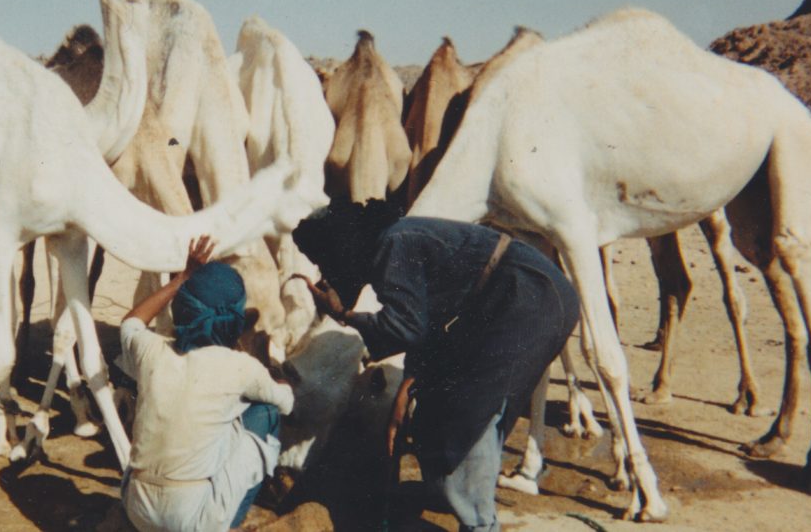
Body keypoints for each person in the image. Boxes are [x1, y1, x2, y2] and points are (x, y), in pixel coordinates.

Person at [291, 200, 580, 532]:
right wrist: (408, 386)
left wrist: (345, 315)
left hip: (525, 295)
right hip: (529, 293)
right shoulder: (396, 240)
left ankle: (479, 523)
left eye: (323, 260)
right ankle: (461, 503)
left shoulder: (392, 245)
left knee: (469, 411)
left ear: (340, 246)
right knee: (455, 407)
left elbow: (406, 328)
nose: (327, 272)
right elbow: (429, 325)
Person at [117, 236, 295, 532]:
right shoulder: (240, 367)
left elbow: (131, 322)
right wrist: (275, 371)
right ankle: (231, 521)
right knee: (266, 412)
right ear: (237, 317)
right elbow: (286, 401)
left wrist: (184, 277)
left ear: (182, 306)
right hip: (191, 521)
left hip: (137, 509)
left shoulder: (151, 351)